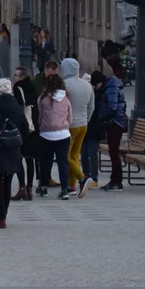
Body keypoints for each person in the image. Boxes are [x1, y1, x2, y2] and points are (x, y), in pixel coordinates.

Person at [0, 78, 27, 228]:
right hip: (13, 148)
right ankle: (4, 214)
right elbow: (25, 126)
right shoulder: (17, 107)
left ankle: (0, 217)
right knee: (8, 182)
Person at [60, 57, 94, 198]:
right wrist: (86, 120)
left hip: (69, 125)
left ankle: (82, 178)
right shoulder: (87, 85)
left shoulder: (63, 85)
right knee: (74, 156)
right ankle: (71, 186)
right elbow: (91, 107)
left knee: (65, 156)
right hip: (83, 125)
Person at [36, 74, 73, 200]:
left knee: (45, 161)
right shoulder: (66, 99)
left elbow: (40, 116)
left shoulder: (43, 99)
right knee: (63, 162)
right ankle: (64, 189)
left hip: (46, 134)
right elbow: (70, 118)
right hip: (63, 134)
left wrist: (41, 127)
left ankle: (44, 187)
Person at [91, 69, 127, 191]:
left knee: (114, 153)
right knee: (113, 153)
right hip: (115, 123)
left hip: (115, 124)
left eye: (96, 85)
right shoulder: (109, 87)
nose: (96, 87)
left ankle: (116, 181)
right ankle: (115, 180)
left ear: (100, 82)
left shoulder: (111, 88)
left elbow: (112, 107)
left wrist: (101, 116)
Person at [12, 66, 39, 200]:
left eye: (16, 75)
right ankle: (29, 188)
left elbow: (17, 108)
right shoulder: (33, 87)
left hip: (22, 126)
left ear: (22, 77)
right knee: (30, 159)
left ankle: (22, 187)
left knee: (18, 157)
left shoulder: (18, 88)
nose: (14, 78)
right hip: (33, 127)